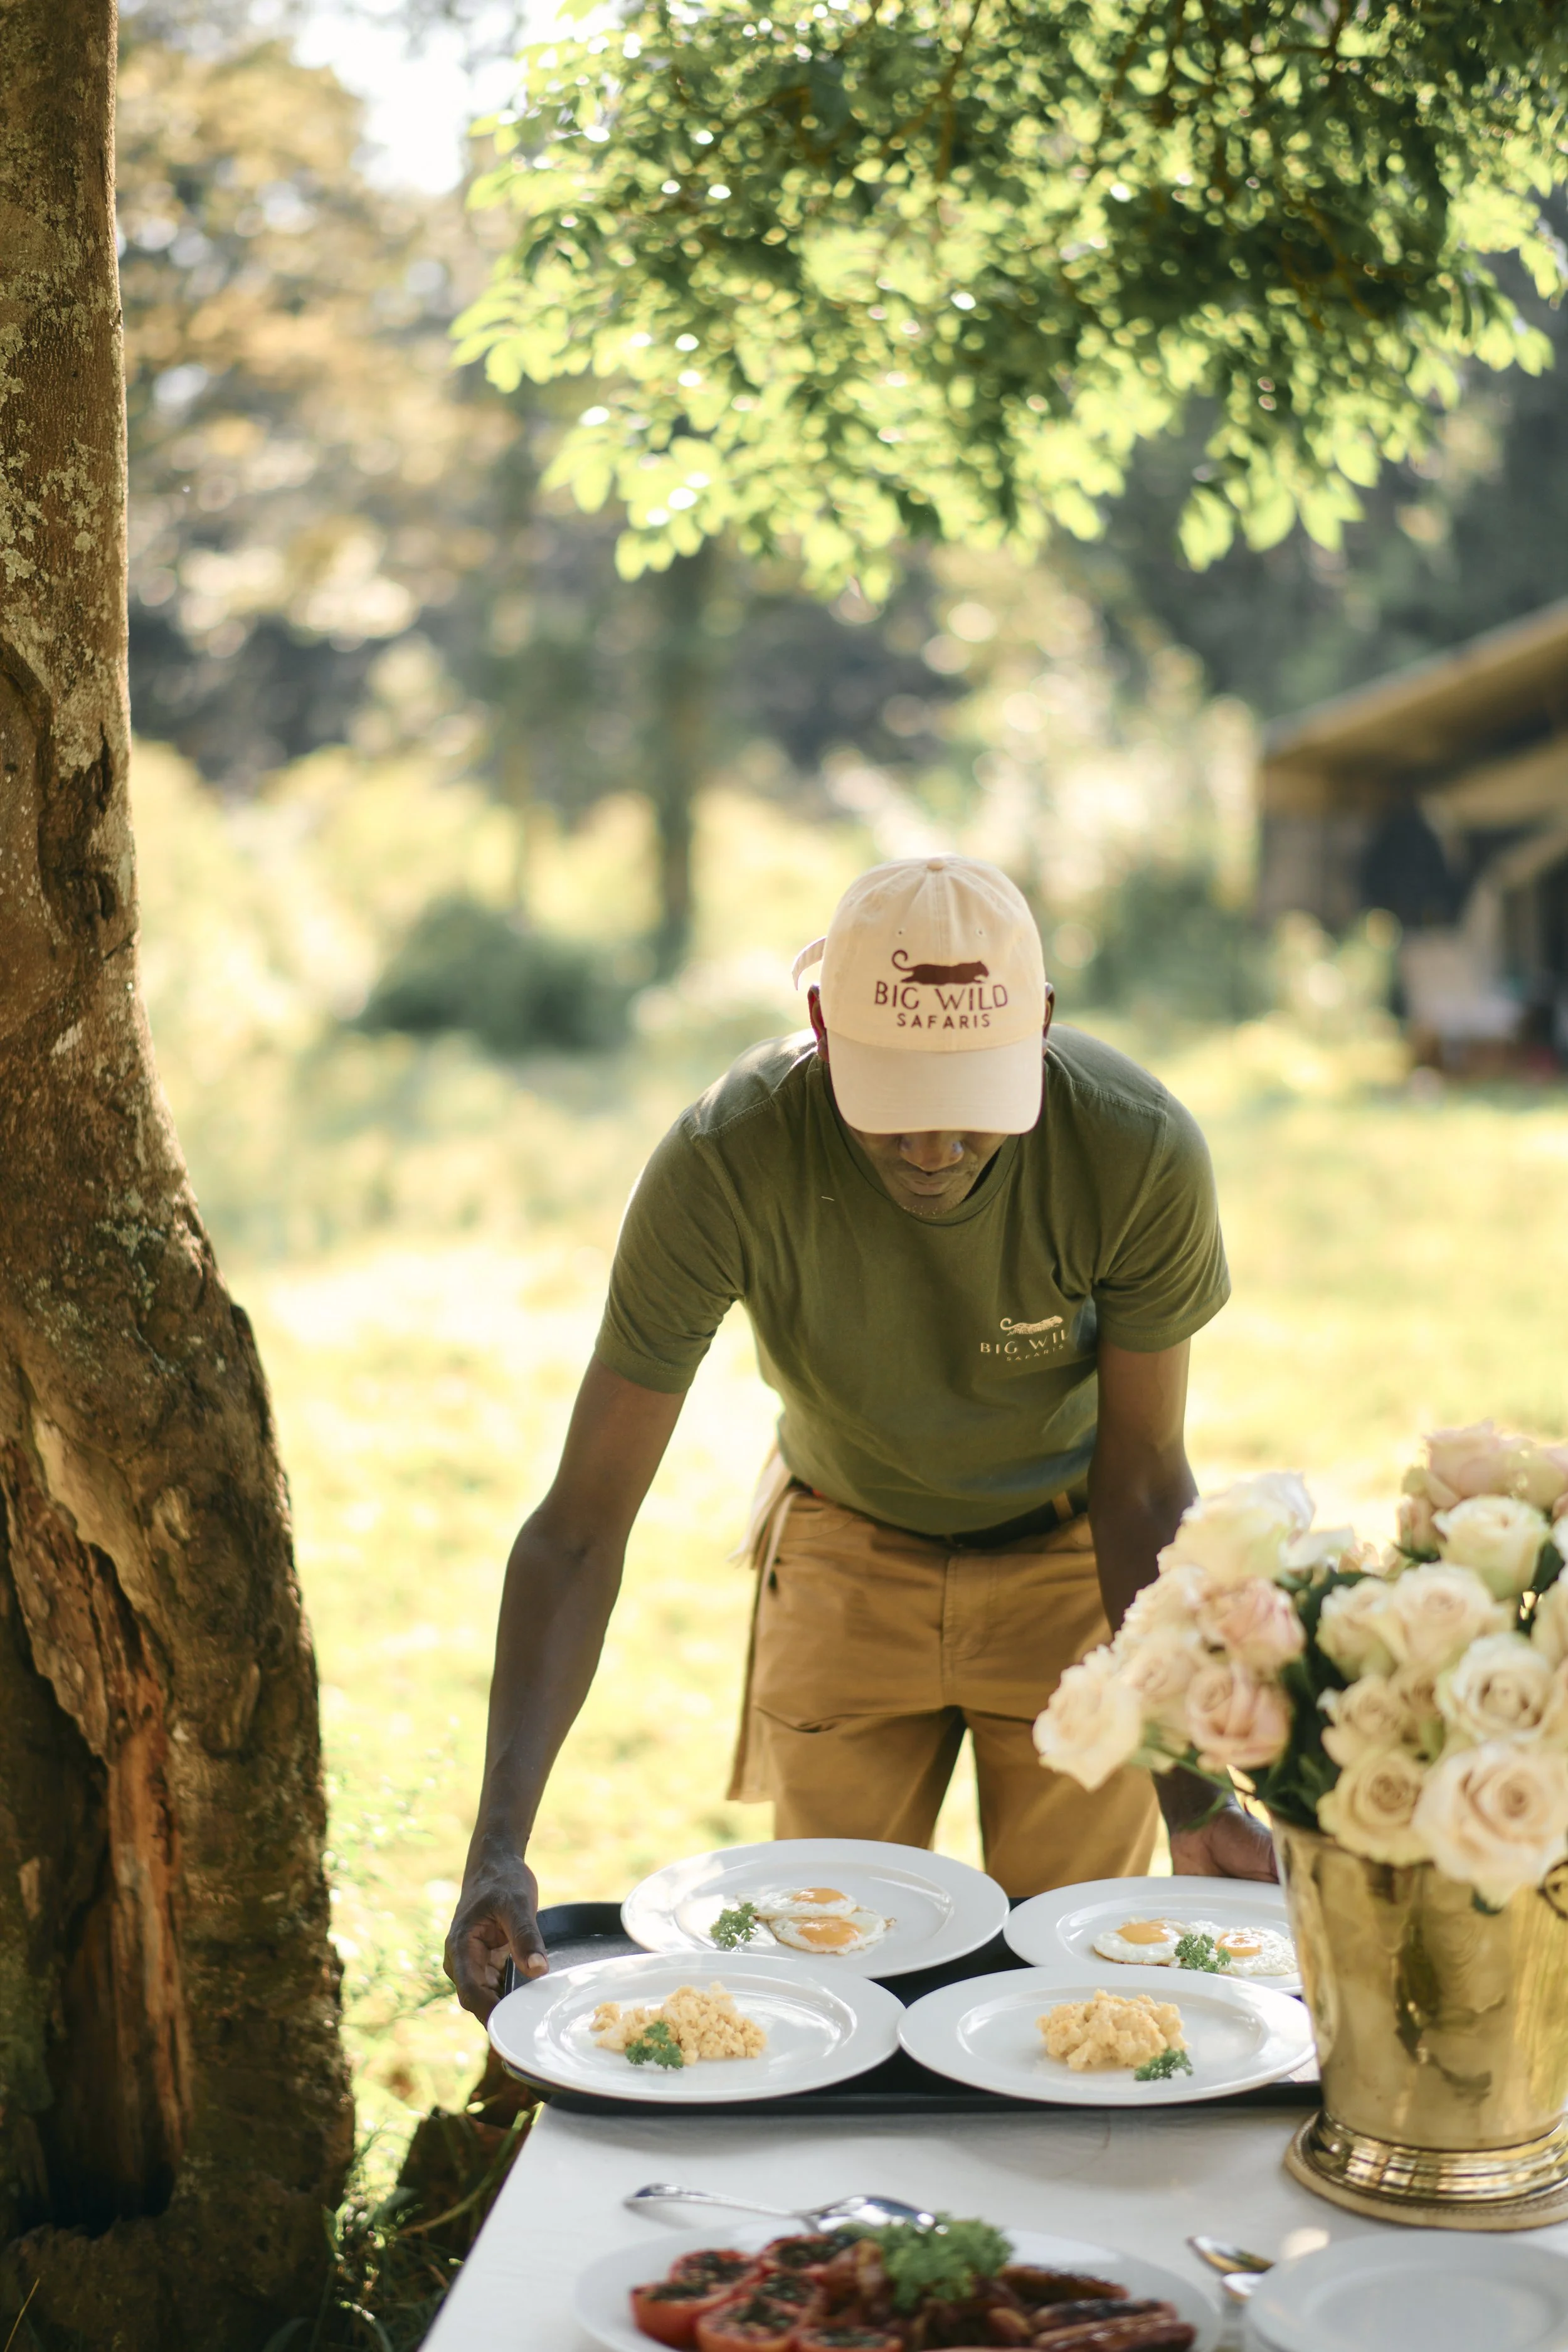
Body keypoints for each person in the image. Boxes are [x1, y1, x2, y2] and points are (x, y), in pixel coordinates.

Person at [445, 856, 1274, 2018]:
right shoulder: (727, 1159)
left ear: (1039, 1029)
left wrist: (1192, 1788)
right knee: (827, 1982)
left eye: (974, 1101)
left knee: (1069, 1986)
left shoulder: (1133, 1150)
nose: (934, 1147)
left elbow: (1141, 1484)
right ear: (824, 1029)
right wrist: (498, 1847)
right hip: (846, 1551)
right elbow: (581, 1524)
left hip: (1074, 1567)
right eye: (893, 1106)